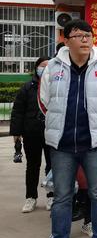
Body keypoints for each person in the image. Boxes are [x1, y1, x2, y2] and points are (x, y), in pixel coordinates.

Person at [34, 19, 97, 238]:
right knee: (62, 198)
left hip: (94, 145)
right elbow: (44, 101)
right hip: (62, 145)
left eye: (89, 35)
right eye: (79, 35)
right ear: (66, 39)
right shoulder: (53, 67)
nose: (85, 39)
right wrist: (57, 124)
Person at [10, 56, 52, 213]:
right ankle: (31, 197)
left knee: (53, 166)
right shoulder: (27, 88)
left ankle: (51, 195)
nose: (45, 69)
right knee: (33, 166)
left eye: (49, 66)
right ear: (36, 68)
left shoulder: (57, 86)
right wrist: (16, 132)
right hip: (31, 133)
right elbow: (18, 111)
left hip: (51, 133)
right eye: (42, 66)